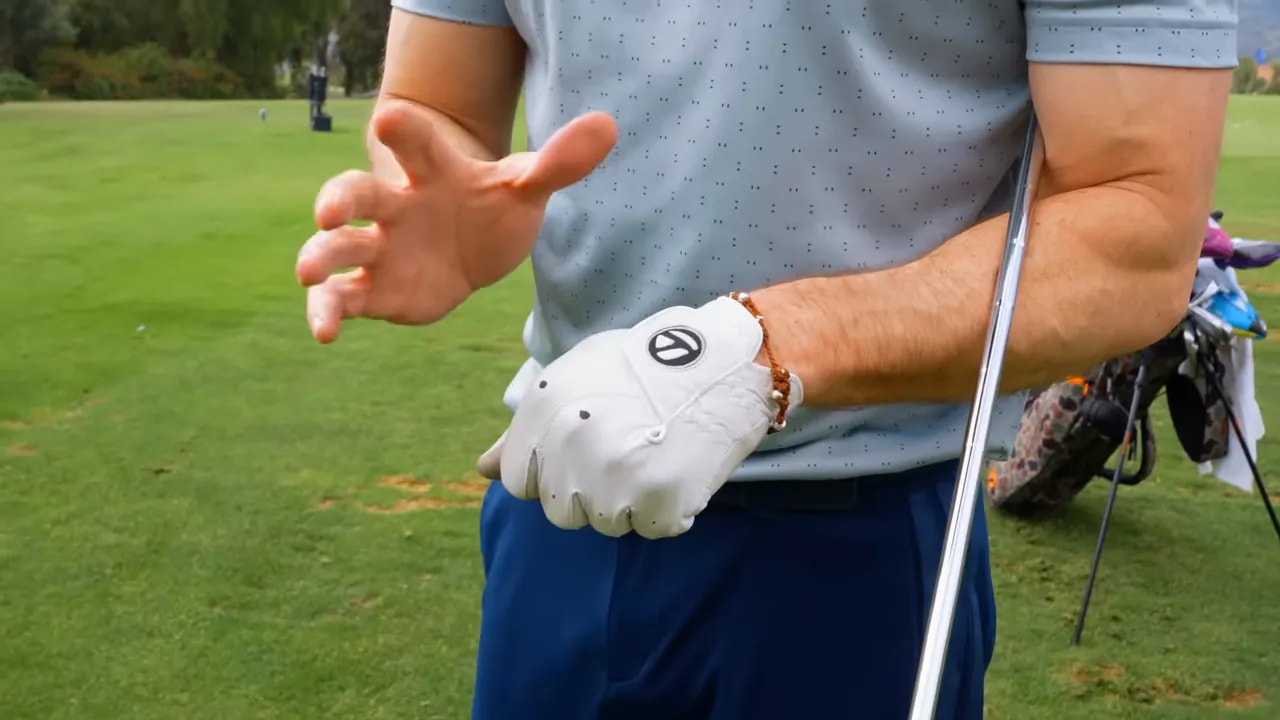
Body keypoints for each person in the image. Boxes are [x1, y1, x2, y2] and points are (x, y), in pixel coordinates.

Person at [295, 2, 1237, 717]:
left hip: (857, 547)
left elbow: (1139, 224)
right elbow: (434, 102)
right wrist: (441, 186)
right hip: (559, 505)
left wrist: (761, 346)